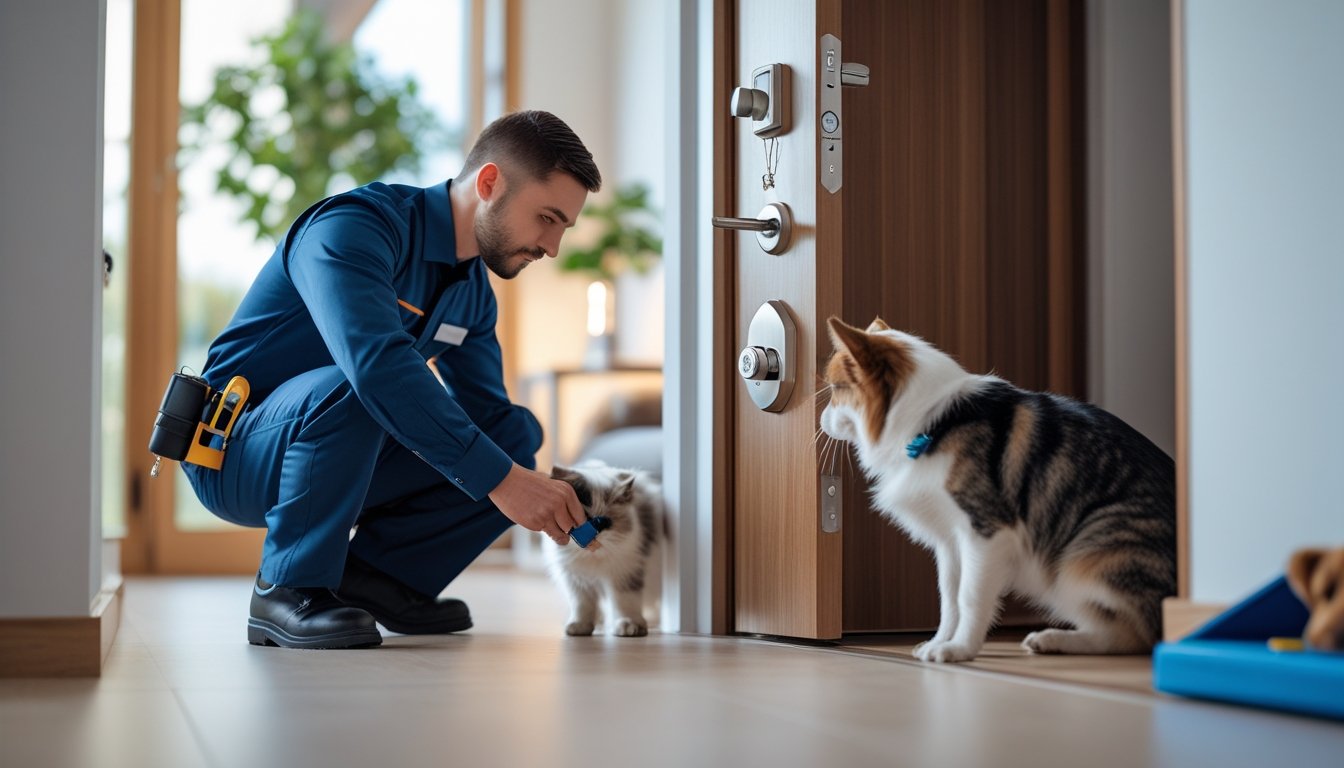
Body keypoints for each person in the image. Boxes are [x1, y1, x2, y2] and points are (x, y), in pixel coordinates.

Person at [182, 110, 601, 649]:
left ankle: (378, 580)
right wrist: (503, 481)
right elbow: (376, 367)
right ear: (490, 182)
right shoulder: (352, 228)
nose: (552, 246)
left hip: (344, 445)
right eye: (547, 217)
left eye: (562, 227)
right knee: (363, 385)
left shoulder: (471, 292)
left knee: (514, 434)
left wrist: (544, 483)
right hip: (234, 450)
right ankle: (286, 588)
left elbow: (487, 417)